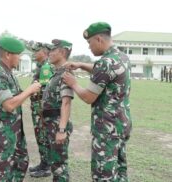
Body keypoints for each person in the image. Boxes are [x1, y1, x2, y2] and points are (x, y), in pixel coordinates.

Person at [62, 22, 132, 182]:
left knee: (104, 175)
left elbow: (88, 97)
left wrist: (73, 83)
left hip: (107, 129)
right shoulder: (122, 57)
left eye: (89, 43)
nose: (89, 48)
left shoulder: (105, 63)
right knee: (120, 171)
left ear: (99, 39)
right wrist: (80, 65)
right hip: (122, 124)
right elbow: (105, 70)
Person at [0, 36, 41, 182]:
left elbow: (17, 96)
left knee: (21, 164)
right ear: (8, 55)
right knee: (0, 173)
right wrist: (29, 90)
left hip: (14, 131)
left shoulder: (9, 73)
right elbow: (9, 105)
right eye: (18, 55)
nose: (20, 58)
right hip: (1, 133)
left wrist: (31, 92)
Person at [42, 39, 74, 182]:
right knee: (55, 164)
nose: (49, 53)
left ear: (61, 52)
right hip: (51, 124)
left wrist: (61, 130)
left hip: (57, 125)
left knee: (59, 166)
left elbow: (66, 102)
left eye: (52, 50)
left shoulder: (65, 74)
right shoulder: (57, 73)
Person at [28, 42, 53, 178]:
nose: (34, 53)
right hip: (38, 108)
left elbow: (43, 90)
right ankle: (44, 163)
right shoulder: (41, 65)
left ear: (43, 52)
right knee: (40, 136)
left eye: (36, 51)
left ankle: (47, 166)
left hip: (42, 109)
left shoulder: (46, 67)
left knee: (43, 136)